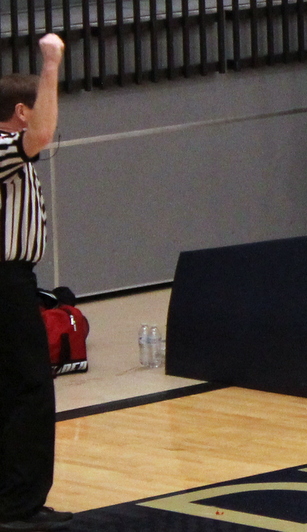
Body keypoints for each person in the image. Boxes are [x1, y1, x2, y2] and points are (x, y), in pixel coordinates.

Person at [0, 34, 74, 531]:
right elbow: (43, 133)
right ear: (21, 112)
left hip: (13, 281)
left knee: (12, 388)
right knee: (29, 388)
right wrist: (51, 63)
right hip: (5, 283)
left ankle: (13, 498)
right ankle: (18, 505)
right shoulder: (5, 148)